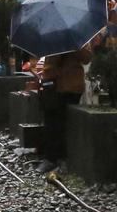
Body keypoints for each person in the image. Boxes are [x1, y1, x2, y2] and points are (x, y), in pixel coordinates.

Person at [36, 46, 91, 174]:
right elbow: (47, 63)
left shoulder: (76, 41)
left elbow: (87, 58)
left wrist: (73, 47)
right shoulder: (51, 41)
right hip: (53, 85)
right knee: (51, 122)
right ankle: (51, 158)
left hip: (70, 87)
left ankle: (61, 158)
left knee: (64, 123)